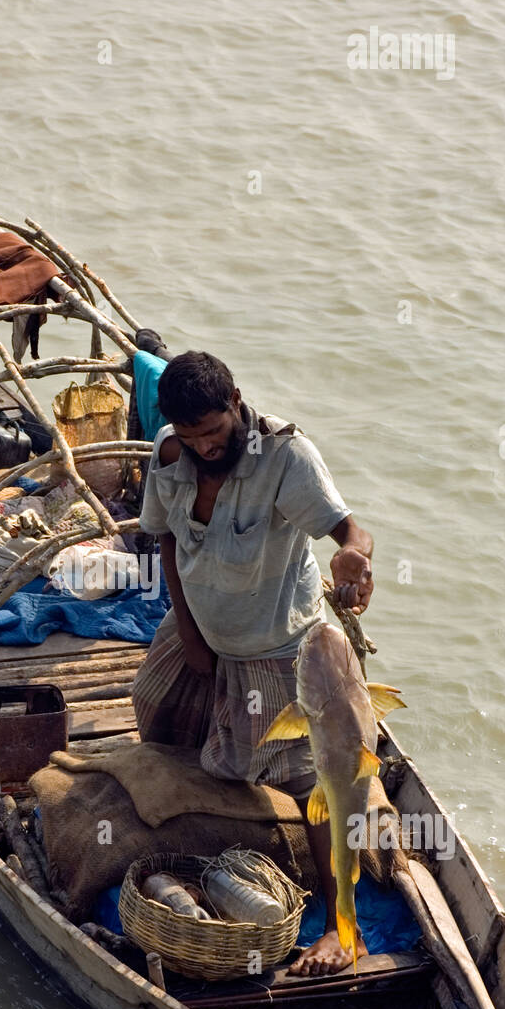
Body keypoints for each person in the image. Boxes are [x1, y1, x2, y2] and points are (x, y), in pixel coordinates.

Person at [132, 348, 375, 976]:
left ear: (236, 402)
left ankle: (342, 928)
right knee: (154, 713)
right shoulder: (167, 452)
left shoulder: (286, 458)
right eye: (192, 439)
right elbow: (163, 535)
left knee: (314, 784)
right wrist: (187, 630)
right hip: (199, 634)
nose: (206, 448)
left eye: (214, 432)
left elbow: (351, 534)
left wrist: (354, 561)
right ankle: (213, 837)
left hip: (277, 650)